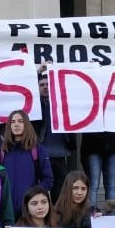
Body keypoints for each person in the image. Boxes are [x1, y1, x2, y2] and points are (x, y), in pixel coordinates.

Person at [0, 110, 53, 219]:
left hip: (29, 213)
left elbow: (48, 180)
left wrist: (32, 197)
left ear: (26, 124)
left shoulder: (38, 150)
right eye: (13, 122)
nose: (16, 124)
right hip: (6, 212)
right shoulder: (3, 151)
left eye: (20, 121)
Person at [32, 75, 77, 203]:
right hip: (42, 154)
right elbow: (26, 88)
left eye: (48, 84)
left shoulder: (62, 103)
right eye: (42, 85)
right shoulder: (35, 105)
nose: (45, 87)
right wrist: (37, 72)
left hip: (61, 154)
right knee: (41, 190)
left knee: (60, 190)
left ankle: (58, 218)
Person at [80, 132, 115, 207]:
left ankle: (111, 213)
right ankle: (91, 212)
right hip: (94, 145)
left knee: (109, 185)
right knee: (94, 184)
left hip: (111, 145)